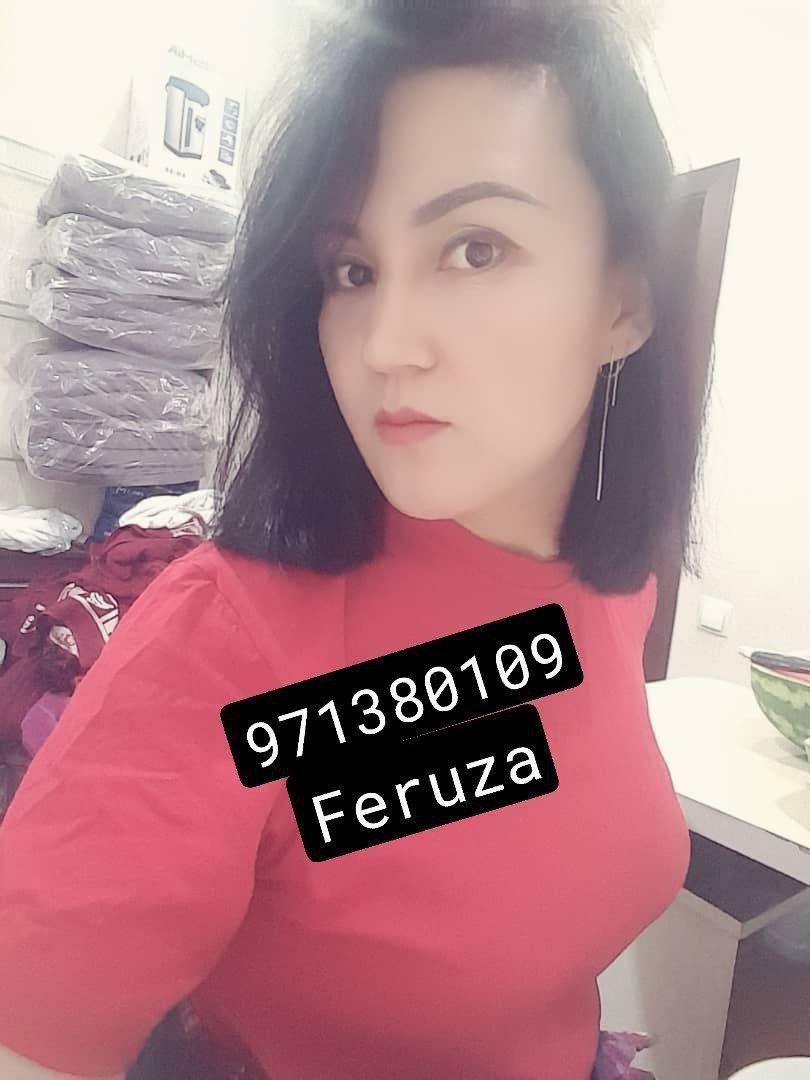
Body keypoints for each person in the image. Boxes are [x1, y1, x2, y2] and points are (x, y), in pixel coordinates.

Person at [0, 1, 706, 1076]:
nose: (386, 345)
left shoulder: (613, 583)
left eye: (475, 247)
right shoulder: (230, 644)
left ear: (626, 301)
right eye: (352, 270)